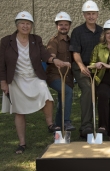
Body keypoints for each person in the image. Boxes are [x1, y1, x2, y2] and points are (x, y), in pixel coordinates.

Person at [0, 11, 70, 154]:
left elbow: (44, 55)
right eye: (22, 23)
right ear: (17, 25)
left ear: (31, 26)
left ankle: (50, 125)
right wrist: (3, 82)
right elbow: (1, 64)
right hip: (16, 79)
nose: (25, 26)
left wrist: (54, 60)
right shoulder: (6, 41)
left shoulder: (35, 39)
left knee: (47, 98)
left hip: (35, 77)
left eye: (28, 24)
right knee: (19, 112)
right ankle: (22, 143)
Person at [69, 0, 103, 138]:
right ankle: (86, 126)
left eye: (93, 14)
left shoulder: (102, 31)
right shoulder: (77, 31)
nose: (91, 16)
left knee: (103, 91)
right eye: (88, 14)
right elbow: (75, 52)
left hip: (99, 68)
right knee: (88, 90)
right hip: (82, 67)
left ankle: (102, 125)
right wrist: (82, 66)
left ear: (97, 15)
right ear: (84, 15)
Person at [46, 12, 75, 131]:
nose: (63, 27)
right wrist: (60, 62)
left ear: (69, 26)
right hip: (54, 76)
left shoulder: (72, 41)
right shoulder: (53, 41)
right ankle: (66, 122)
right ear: (57, 26)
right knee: (67, 93)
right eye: (61, 24)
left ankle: (58, 129)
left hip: (67, 77)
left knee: (61, 102)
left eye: (66, 24)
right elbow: (50, 56)